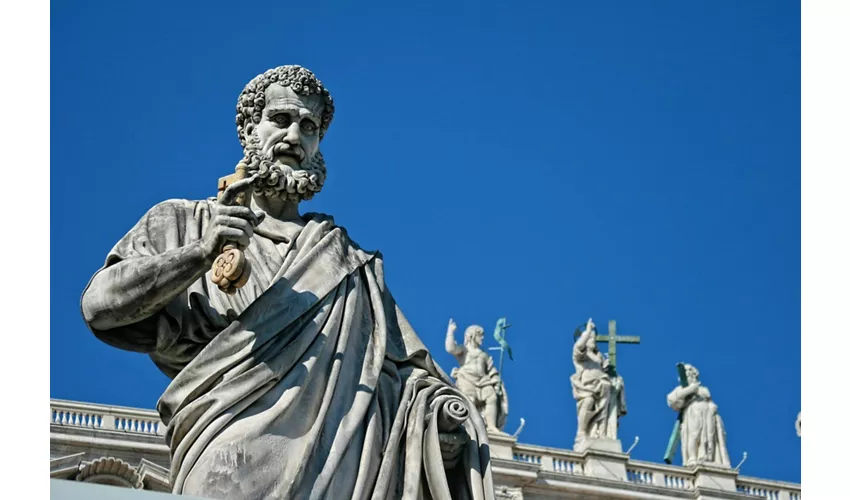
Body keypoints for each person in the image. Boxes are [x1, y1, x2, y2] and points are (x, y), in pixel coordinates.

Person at [81, 65, 495, 499]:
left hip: (341, 469)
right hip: (226, 457)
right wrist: (200, 253)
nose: (295, 137)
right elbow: (100, 306)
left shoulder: (348, 263)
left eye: (309, 127)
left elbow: (404, 379)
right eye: (281, 119)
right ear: (249, 129)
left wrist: (438, 420)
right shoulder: (186, 220)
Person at [445, 318, 509, 433]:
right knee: (470, 399)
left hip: (484, 380)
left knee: (492, 397)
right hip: (466, 378)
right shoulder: (464, 350)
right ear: (472, 335)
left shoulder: (484, 355)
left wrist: (496, 381)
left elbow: (491, 370)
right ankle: (469, 426)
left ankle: (491, 426)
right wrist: (450, 332)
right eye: (480, 335)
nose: (482, 338)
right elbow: (450, 348)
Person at [666, 363, 730, 467]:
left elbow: (708, 399)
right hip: (692, 412)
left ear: (694, 374)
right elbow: (671, 400)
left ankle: (708, 458)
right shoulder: (681, 388)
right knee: (694, 435)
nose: (688, 375)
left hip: (708, 413)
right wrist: (690, 389)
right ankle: (692, 458)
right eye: (686, 374)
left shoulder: (702, 388)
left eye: (689, 373)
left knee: (708, 437)